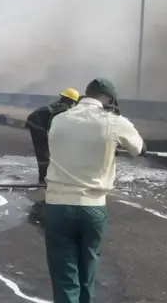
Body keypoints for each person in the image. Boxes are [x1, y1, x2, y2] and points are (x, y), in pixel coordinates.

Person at [44, 78, 146, 303]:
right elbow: (139, 149)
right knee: (88, 270)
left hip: (57, 206)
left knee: (64, 274)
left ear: (85, 94)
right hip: (93, 208)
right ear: (109, 99)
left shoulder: (59, 119)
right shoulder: (114, 121)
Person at [25, 88, 79, 183]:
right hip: (37, 125)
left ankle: (46, 177)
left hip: (34, 122)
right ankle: (43, 180)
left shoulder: (59, 105)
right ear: (71, 101)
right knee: (43, 151)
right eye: (74, 102)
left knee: (46, 150)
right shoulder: (63, 108)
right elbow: (52, 122)